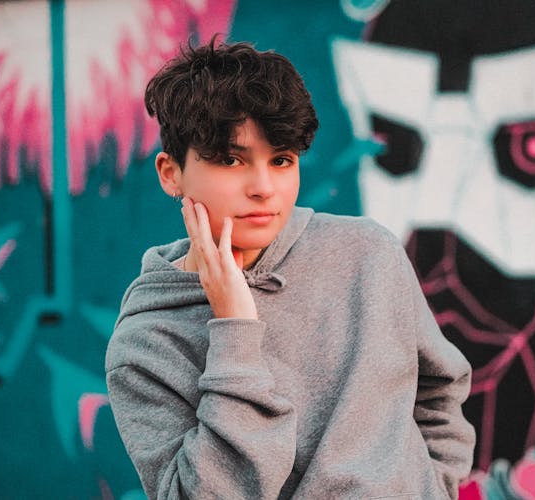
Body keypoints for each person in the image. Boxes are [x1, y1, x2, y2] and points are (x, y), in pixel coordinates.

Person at [105, 38, 475, 499]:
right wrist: (234, 330)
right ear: (170, 173)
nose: (263, 187)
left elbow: (439, 390)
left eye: (281, 160)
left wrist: (434, 484)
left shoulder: (367, 253)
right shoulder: (146, 343)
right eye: (230, 160)